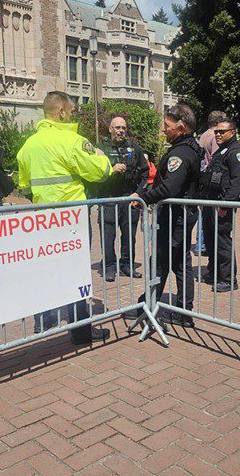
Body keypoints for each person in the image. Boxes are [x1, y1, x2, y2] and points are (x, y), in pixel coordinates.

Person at [17, 91, 126, 344]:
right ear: (62, 112)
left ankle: (42, 321)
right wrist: (101, 158)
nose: (74, 114)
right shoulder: (72, 140)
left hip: (42, 219)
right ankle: (81, 331)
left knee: (46, 269)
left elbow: (24, 185)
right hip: (70, 219)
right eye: (72, 110)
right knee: (76, 273)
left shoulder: (28, 145)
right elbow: (98, 172)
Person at [125, 104, 202, 327]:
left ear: (181, 127)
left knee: (160, 261)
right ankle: (183, 311)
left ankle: (148, 305)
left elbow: (169, 188)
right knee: (180, 263)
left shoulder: (181, 153)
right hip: (180, 216)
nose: (163, 129)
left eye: (167, 126)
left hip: (174, 217)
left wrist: (144, 199)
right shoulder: (189, 149)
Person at [198, 118, 240, 292]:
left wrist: (225, 205)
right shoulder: (222, 151)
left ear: (232, 132)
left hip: (222, 204)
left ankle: (228, 279)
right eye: (216, 131)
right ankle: (214, 272)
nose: (218, 134)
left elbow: (237, 183)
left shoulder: (237, 153)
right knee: (211, 240)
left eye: (222, 131)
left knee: (222, 241)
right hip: (211, 203)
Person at [96, 116, 149, 281]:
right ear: (110, 129)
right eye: (117, 127)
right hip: (108, 198)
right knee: (108, 235)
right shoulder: (100, 148)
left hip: (129, 198)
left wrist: (138, 193)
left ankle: (127, 265)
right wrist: (111, 169)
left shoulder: (134, 148)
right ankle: (109, 267)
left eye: (123, 128)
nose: (121, 131)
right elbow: (93, 174)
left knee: (129, 235)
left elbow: (145, 173)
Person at [195, 111, 228, 254]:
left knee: (203, 212)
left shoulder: (204, 135)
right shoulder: (214, 136)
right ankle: (203, 244)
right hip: (211, 179)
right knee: (209, 213)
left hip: (202, 177)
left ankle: (199, 243)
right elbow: (217, 158)